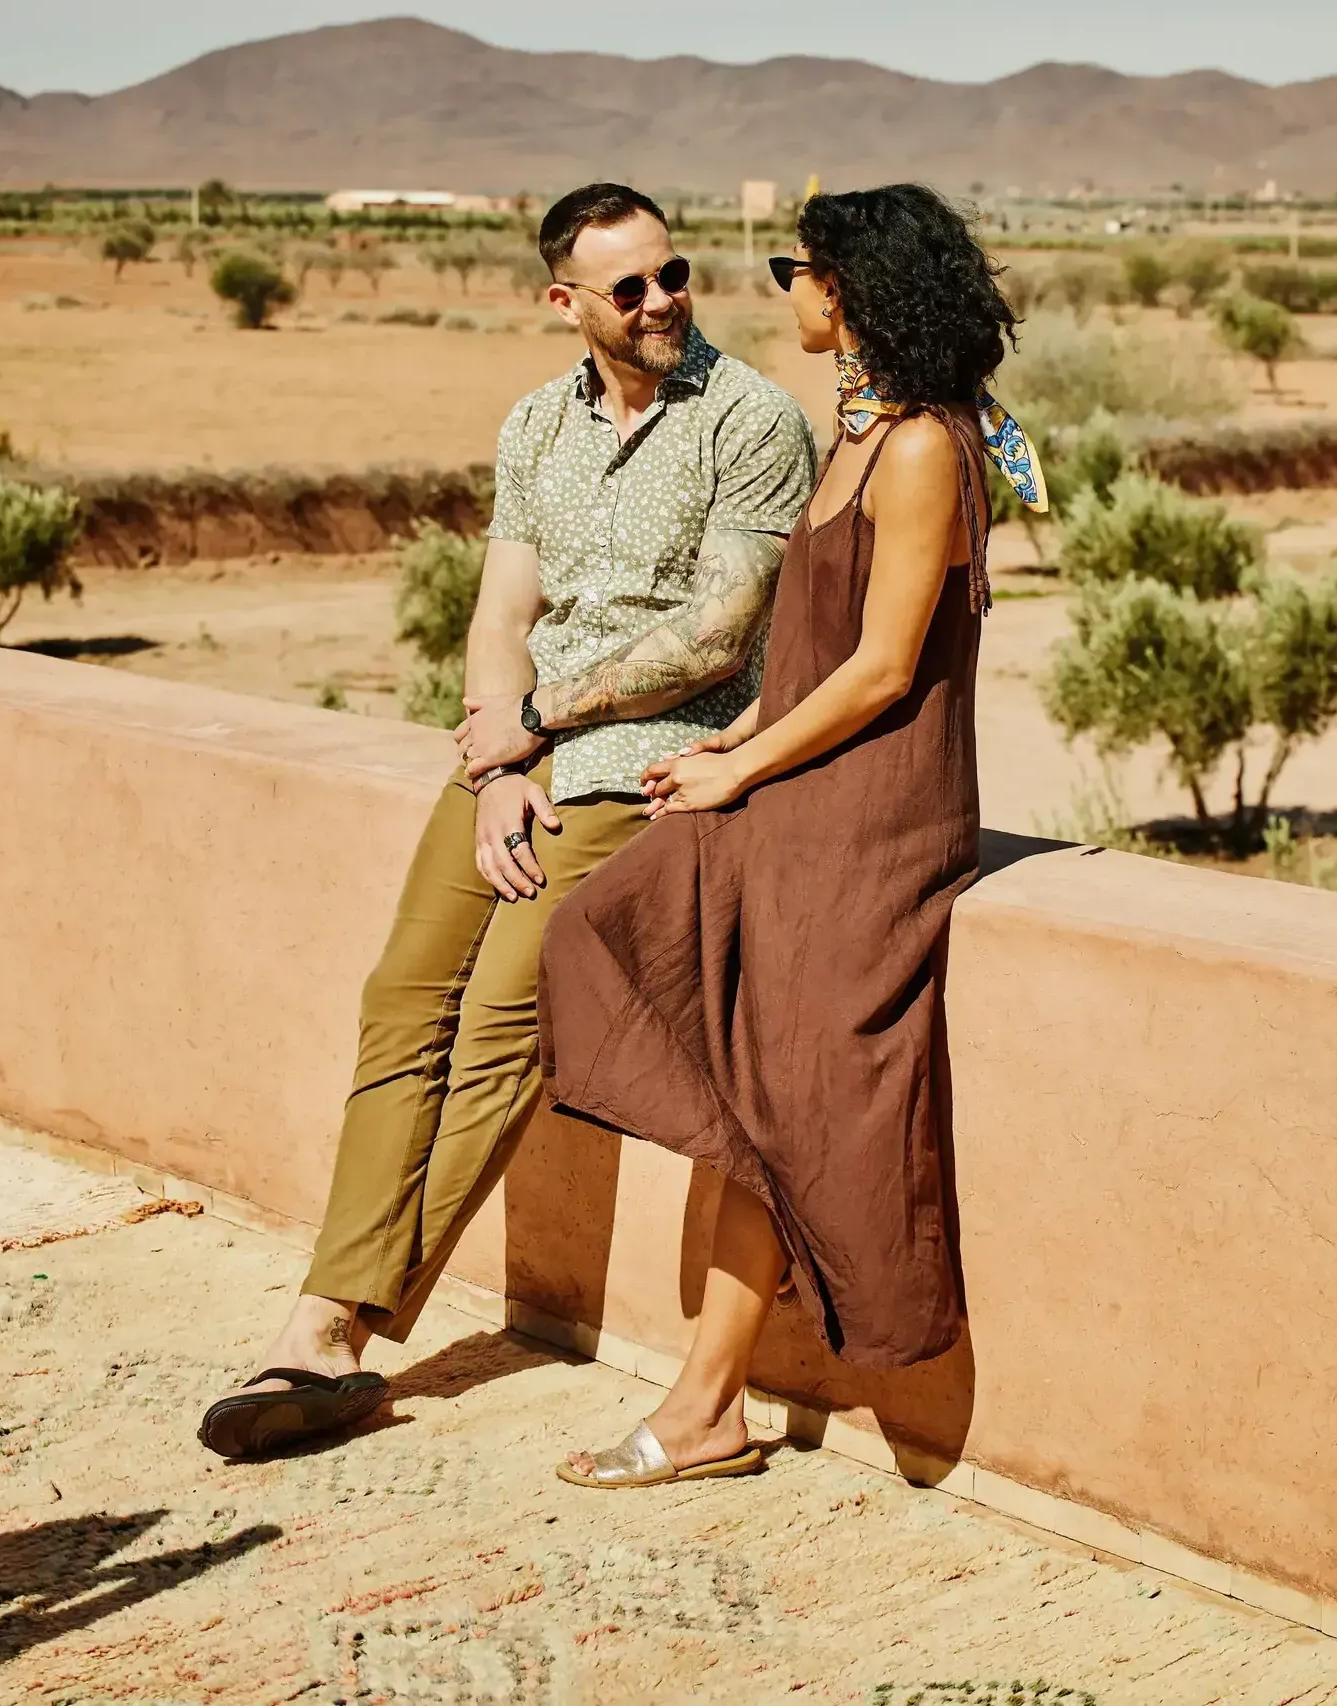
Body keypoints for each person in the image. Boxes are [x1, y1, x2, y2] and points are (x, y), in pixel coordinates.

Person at [197, 183, 817, 1459]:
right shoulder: (537, 425)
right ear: (565, 302)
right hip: (523, 752)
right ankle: (328, 1317)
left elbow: (719, 633)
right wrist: (496, 762)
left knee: (497, 1027)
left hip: (644, 761)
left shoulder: (750, 419)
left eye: (675, 274)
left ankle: (331, 1333)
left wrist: (542, 724)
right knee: (403, 996)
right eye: (630, 287)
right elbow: (499, 613)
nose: (662, 303)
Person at [537, 183, 1046, 1488]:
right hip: (804, 787)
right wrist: (739, 737)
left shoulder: (929, 446)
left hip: (878, 816)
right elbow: (811, 645)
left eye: (795, 266)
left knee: (793, 1097)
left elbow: (881, 671)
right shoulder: (855, 436)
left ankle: (707, 1405)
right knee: (615, 930)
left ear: (854, 288)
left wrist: (744, 764)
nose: (784, 288)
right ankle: (707, 1404)